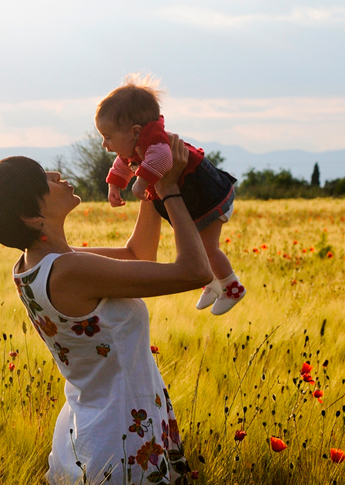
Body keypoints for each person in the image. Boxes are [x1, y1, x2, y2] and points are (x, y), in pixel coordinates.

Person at [0, 139, 209, 485]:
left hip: (100, 421)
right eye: (41, 179)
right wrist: (171, 190)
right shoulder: (70, 270)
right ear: (32, 217)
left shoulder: (36, 266)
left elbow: (137, 256)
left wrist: (151, 181)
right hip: (124, 434)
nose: (55, 174)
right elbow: (196, 271)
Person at [96, 77, 245, 315]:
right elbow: (123, 163)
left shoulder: (155, 142)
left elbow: (163, 160)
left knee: (207, 247)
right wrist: (115, 184)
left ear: (135, 132)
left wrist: (141, 182)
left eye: (108, 137)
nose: (104, 144)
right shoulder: (134, 143)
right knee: (195, 243)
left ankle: (231, 285)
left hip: (210, 197)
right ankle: (212, 282)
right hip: (194, 197)